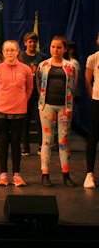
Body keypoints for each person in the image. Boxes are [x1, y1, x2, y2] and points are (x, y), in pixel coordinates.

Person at [0, 40, 33, 187]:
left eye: (12, 50)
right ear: (3, 52)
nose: (9, 53)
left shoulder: (25, 69)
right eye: (7, 50)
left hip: (19, 111)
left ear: (18, 51)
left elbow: (29, 89)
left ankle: (17, 175)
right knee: (3, 142)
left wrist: (21, 100)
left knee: (15, 142)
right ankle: (3, 175)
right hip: (0, 111)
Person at [37, 35, 78, 187]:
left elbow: (73, 85)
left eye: (59, 47)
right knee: (47, 140)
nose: (55, 50)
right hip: (47, 106)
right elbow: (38, 83)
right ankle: (45, 174)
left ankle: (66, 174)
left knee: (64, 141)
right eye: (53, 47)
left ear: (65, 49)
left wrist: (69, 103)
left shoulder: (71, 66)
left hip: (64, 107)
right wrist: (43, 100)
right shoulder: (43, 65)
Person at [18, 32, 47, 156]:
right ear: (25, 43)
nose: (32, 44)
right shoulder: (20, 57)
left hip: (39, 93)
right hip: (24, 94)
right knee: (25, 121)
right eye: (30, 41)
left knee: (40, 121)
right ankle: (25, 147)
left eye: (34, 42)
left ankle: (41, 146)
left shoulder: (42, 57)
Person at [84, 32, 99, 188]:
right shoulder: (93, 58)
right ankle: (89, 174)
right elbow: (88, 81)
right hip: (97, 101)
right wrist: (93, 96)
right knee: (93, 137)